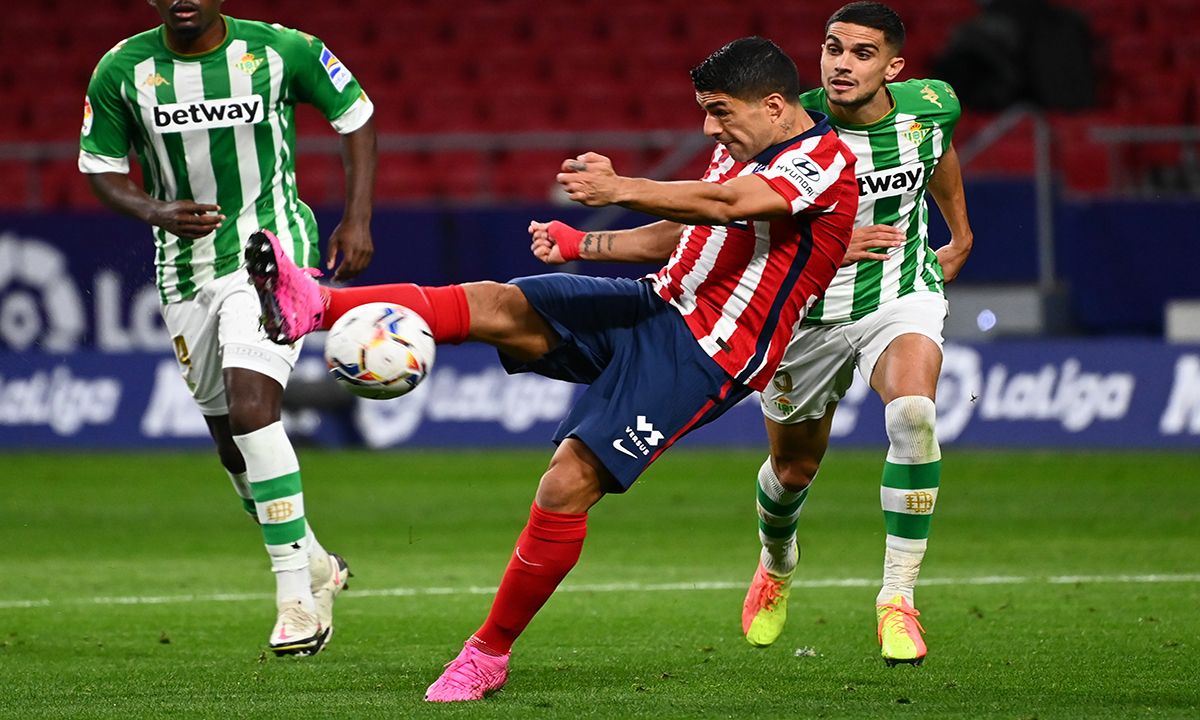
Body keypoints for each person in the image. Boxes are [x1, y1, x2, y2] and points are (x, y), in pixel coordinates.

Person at [247, 37, 858, 700]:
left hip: (708, 351)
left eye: (720, 112)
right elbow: (689, 231)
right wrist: (581, 243)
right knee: (496, 303)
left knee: (566, 483)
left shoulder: (824, 163)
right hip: (655, 303)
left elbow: (729, 206)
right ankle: (314, 303)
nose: (710, 127)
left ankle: (487, 653)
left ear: (773, 105)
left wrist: (618, 186)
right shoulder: (742, 147)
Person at [531, 2, 972, 667]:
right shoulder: (784, 126)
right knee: (793, 469)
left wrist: (959, 233)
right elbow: (711, 217)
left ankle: (897, 598)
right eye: (832, 48)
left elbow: (935, 151)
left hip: (899, 295)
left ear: (893, 65)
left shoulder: (932, 105)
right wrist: (588, 242)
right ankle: (776, 561)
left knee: (913, 415)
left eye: (860, 53)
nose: (841, 64)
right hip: (802, 317)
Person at [79, 0, 377, 656]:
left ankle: (297, 599)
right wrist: (156, 209)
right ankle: (318, 561)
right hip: (184, 271)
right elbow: (101, 170)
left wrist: (357, 218)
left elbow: (355, 115)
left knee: (251, 409)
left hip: (271, 249)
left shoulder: (282, 50)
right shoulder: (122, 70)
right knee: (229, 443)